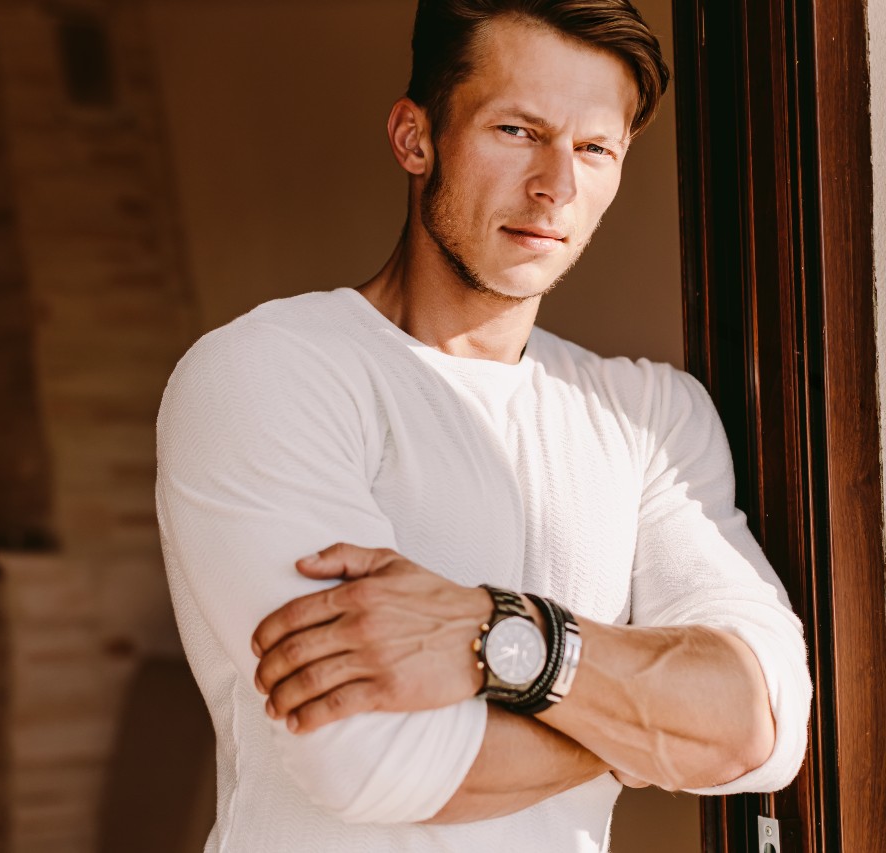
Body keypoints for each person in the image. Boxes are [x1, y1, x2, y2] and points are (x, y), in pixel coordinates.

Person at [154, 1, 811, 850]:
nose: (556, 185)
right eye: (517, 130)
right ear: (415, 137)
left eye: (594, 148)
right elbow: (371, 759)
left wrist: (494, 630)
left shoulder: (648, 415)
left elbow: (766, 719)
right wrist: (652, 725)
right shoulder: (267, 373)